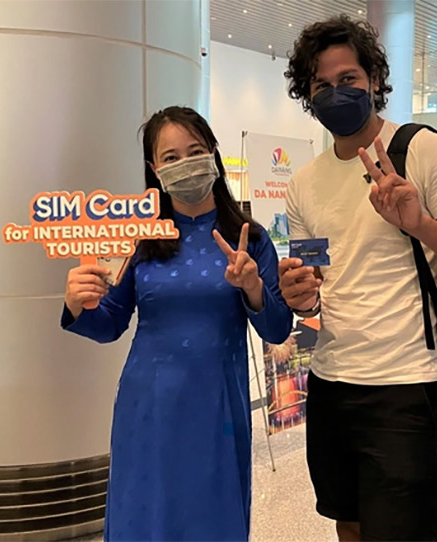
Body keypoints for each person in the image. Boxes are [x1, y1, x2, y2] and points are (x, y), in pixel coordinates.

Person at [279, 15, 437, 541]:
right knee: (349, 524)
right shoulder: (304, 184)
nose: (337, 93)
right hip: (331, 380)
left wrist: (420, 223)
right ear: (307, 95)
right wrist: (298, 292)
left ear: (375, 81)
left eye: (349, 79)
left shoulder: (420, 149)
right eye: (322, 85)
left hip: (405, 385)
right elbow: (315, 281)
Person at [61, 106, 292, 541]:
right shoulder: (140, 239)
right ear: (154, 168)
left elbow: (277, 330)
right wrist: (79, 304)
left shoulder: (250, 239)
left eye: (195, 151)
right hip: (146, 408)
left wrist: (253, 289)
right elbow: (110, 322)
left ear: (213, 157)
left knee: (210, 518)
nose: (184, 163)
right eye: (170, 157)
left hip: (217, 409)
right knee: (143, 519)